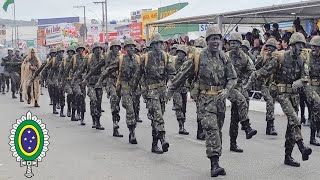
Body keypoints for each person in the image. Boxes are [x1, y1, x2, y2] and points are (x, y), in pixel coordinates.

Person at [167, 26, 237, 177]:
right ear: (207, 41)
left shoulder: (224, 57)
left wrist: (227, 90)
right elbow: (182, 75)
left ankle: (216, 158)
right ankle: (215, 164)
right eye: (212, 39)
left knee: (218, 131)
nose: (215, 42)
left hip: (220, 100)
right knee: (211, 131)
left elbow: (233, 78)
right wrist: (170, 90)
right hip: (205, 100)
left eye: (217, 39)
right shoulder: (198, 57)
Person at [245, 32, 312, 167]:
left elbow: (305, 77)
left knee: (292, 126)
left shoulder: (302, 60)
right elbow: (263, 72)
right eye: (298, 45)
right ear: (292, 45)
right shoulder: (280, 58)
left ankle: (288, 156)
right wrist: (248, 85)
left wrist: (300, 82)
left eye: (302, 45)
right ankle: (302, 147)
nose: (300, 47)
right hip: (281, 94)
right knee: (294, 118)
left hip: (294, 95)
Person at [95, 37, 141, 143]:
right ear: (125, 48)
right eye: (129, 47)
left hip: (134, 88)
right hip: (121, 85)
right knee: (123, 106)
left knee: (134, 109)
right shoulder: (120, 59)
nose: (131, 49)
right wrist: (100, 81)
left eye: (133, 47)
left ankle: (130, 128)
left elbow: (143, 73)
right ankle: (130, 131)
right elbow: (107, 70)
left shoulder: (138, 59)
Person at [226, 33, 257, 153]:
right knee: (241, 100)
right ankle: (246, 126)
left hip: (238, 87)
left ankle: (233, 143)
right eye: (231, 42)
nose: (233, 45)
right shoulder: (225, 56)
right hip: (227, 87)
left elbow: (252, 71)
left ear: (240, 44)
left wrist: (245, 83)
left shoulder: (244, 57)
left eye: (235, 42)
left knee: (235, 116)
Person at [254, 38, 278, 136]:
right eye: (269, 47)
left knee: (272, 102)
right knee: (269, 101)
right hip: (264, 84)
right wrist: (262, 56)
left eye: (273, 48)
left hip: (273, 84)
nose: (270, 49)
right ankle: (271, 125)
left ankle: (269, 126)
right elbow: (256, 68)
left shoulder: (277, 58)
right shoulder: (263, 57)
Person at [304, 36, 320, 146]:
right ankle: (312, 137)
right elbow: (306, 73)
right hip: (312, 87)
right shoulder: (309, 58)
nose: (313, 48)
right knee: (316, 108)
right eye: (312, 46)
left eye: (315, 46)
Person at [172, 45, 189, 135]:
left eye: (182, 53)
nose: (180, 54)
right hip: (176, 89)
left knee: (184, 108)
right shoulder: (173, 62)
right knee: (178, 107)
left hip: (184, 88)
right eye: (178, 52)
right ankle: (181, 126)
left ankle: (183, 123)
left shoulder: (187, 62)